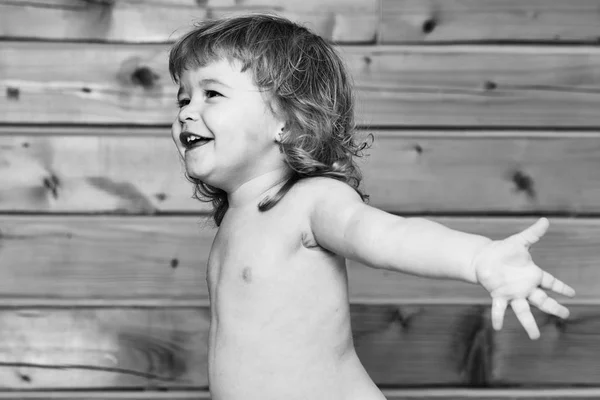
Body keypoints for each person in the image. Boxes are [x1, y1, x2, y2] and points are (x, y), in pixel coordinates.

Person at [168, 14, 575, 400]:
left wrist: (479, 256)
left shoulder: (310, 200)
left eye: (212, 94)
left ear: (287, 122)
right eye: (183, 98)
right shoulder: (237, 218)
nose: (187, 111)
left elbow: (384, 235)